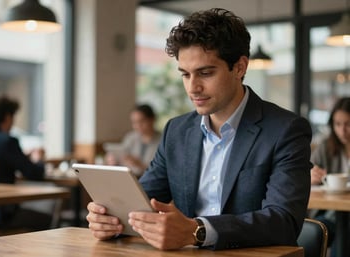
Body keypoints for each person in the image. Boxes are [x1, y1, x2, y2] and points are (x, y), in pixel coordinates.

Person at [87, 8, 312, 250]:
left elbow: (283, 221)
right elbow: (142, 201)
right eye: (185, 75)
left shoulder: (285, 130)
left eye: (205, 73)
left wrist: (198, 231)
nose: (193, 88)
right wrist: (110, 218)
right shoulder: (176, 131)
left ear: (239, 67)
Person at [0, 94, 48, 229]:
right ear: (8, 117)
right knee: (49, 220)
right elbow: (34, 173)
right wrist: (38, 159)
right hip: (0, 218)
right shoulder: (7, 141)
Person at [310, 97, 350, 254]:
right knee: (320, 229)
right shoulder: (325, 147)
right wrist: (310, 177)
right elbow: (305, 173)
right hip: (328, 214)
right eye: (338, 124)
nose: (342, 130)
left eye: (348, 124)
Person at [104, 104, 161, 178]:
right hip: (130, 178)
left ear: (152, 119)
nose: (138, 125)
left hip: (151, 181)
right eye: (134, 122)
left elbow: (160, 171)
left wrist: (140, 164)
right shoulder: (130, 138)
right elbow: (122, 158)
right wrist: (112, 161)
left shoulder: (162, 140)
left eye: (142, 121)